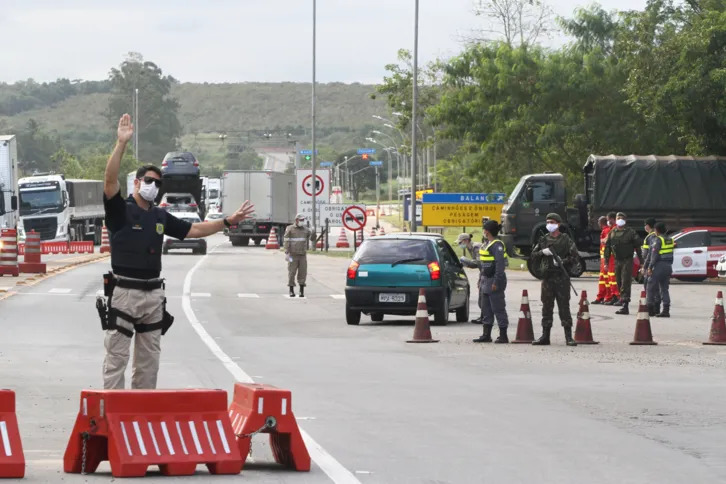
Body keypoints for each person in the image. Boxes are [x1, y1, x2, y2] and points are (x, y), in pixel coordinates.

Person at [102, 114, 254, 389]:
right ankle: (113, 420)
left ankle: (140, 419)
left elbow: (194, 231)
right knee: (117, 360)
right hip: (125, 293)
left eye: (159, 183)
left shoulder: (160, 216)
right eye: (149, 180)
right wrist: (121, 144)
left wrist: (228, 222)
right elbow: (109, 181)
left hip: (153, 295)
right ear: (136, 183)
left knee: (149, 364)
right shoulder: (121, 211)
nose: (154, 187)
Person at [530, 214, 578, 346]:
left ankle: (568, 336)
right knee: (546, 307)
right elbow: (533, 256)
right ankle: (545, 336)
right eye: (547, 222)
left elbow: (575, 257)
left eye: (552, 222)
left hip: (561, 277)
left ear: (558, 224)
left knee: (564, 307)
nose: (549, 224)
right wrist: (542, 252)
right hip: (547, 278)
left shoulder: (566, 240)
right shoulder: (543, 240)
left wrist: (563, 261)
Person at [460, 221, 509, 343]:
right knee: (486, 308)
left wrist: (496, 282)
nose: (483, 231)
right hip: (485, 279)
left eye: (484, 229)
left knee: (498, 308)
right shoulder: (486, 244)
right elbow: (483, 265)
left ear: (487, 231)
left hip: (494, 279)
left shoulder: (497, 245)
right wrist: (481, 279)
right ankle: (486, 334)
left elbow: (499, 266)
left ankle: (503, 335)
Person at [603, 212, 643, 315]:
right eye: (618, 218)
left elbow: (638, 247)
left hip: (627, 260)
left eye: (621, 218)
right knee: (618, 281)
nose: (619, 219)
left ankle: (625, 304)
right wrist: (606, 262)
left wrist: (641, 262)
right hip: (617, 260)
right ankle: (622, 299)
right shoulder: (612, 232)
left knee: (625, 281)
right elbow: (607, 248)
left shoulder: (631, 232)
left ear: (625, 220)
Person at [646, 222, 674, 318]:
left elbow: (654, 256)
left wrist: (649, 267)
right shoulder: (670, 239)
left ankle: (650, 309)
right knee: (664, 289)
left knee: (650, 285)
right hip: (668, 266)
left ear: (656, 230)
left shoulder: (658, 240)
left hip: (659, 266)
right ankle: (666, 310)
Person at [284, 214, 315, 297]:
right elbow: (286, 240)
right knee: (291, 272)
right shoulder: (290, 228)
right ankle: (291, 290)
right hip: (292, 255)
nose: (302, 221)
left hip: (302, 255)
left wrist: (313, 232)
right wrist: (287, 252)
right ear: (296, 220)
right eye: (301, 220)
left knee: (302, 273)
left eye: (303, 220)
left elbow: (312, 239)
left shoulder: (305, 230)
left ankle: (301, 290)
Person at [456, 233, 484, 324]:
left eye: (461, 242)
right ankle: (483, 316)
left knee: (483, 297)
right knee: (482, 296)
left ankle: (485, 317)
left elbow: (478, 263)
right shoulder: (470, 247)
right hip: (483, 273)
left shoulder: (476, 247)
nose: (460, 244)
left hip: (487, 273)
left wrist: (465, 261)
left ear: (466, 240)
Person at [640, 217, 659, 316]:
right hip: (658, 264)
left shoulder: (649, 237)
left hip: (650, 265)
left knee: (649, 287)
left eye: (645, 225)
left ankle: (651, 308)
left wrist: (645, 266)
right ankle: (657, 308)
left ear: (648, 226)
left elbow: (646, 254)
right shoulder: (657, 236)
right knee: (657, 288)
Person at [592, 216, 610, 304]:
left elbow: (606, 245)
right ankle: (602, 296)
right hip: (604, 259)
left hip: (605, 259)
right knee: (603, 279)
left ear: (600, 222)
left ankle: (606, 296)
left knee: (606, 279)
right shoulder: (606, 230)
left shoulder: (606, 231)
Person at [604, 212, 620, 305]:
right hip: (610, 258)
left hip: (614, 258)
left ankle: (618, 296)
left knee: (614, 278)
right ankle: (614, 296)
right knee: (611, 278)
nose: (607, 221)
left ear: (613, 219)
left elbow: (606, 241)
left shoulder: (615, 229)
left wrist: (605, 240)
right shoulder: (611, 229)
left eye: (608, 219)